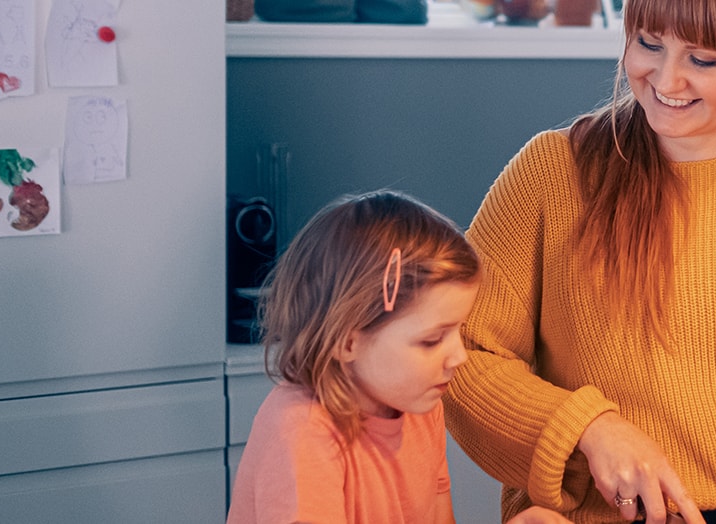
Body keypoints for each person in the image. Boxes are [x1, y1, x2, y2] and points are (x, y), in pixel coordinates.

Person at [441, 0, 716, 523]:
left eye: (702, 60)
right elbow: (464, 350)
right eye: (649, 44)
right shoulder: (551, 171)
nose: (667, 79)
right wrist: (587, 427)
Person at [227, 190, 566, 523]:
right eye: (432, 340)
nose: (459, 357)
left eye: (458, 332)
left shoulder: (419, 405)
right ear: (346, 341)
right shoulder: (302, 432)